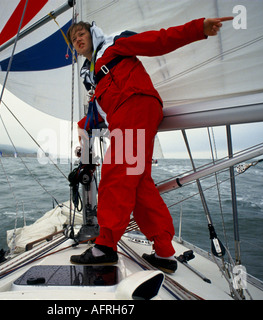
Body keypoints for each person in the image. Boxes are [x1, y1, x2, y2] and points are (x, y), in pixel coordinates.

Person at [68, 16, 233, 273]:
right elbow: (97, 114)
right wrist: (82, 127)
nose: (78, 39)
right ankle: (165, 253)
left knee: (116, 173)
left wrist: (196, 28)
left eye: (82, 33)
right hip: (132, 110)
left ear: (92, 34)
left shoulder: (113, 45)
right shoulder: (93, 75)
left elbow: (156, 41)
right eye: (73, 38)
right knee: (139, 184)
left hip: (133, 105)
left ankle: (106, 247)